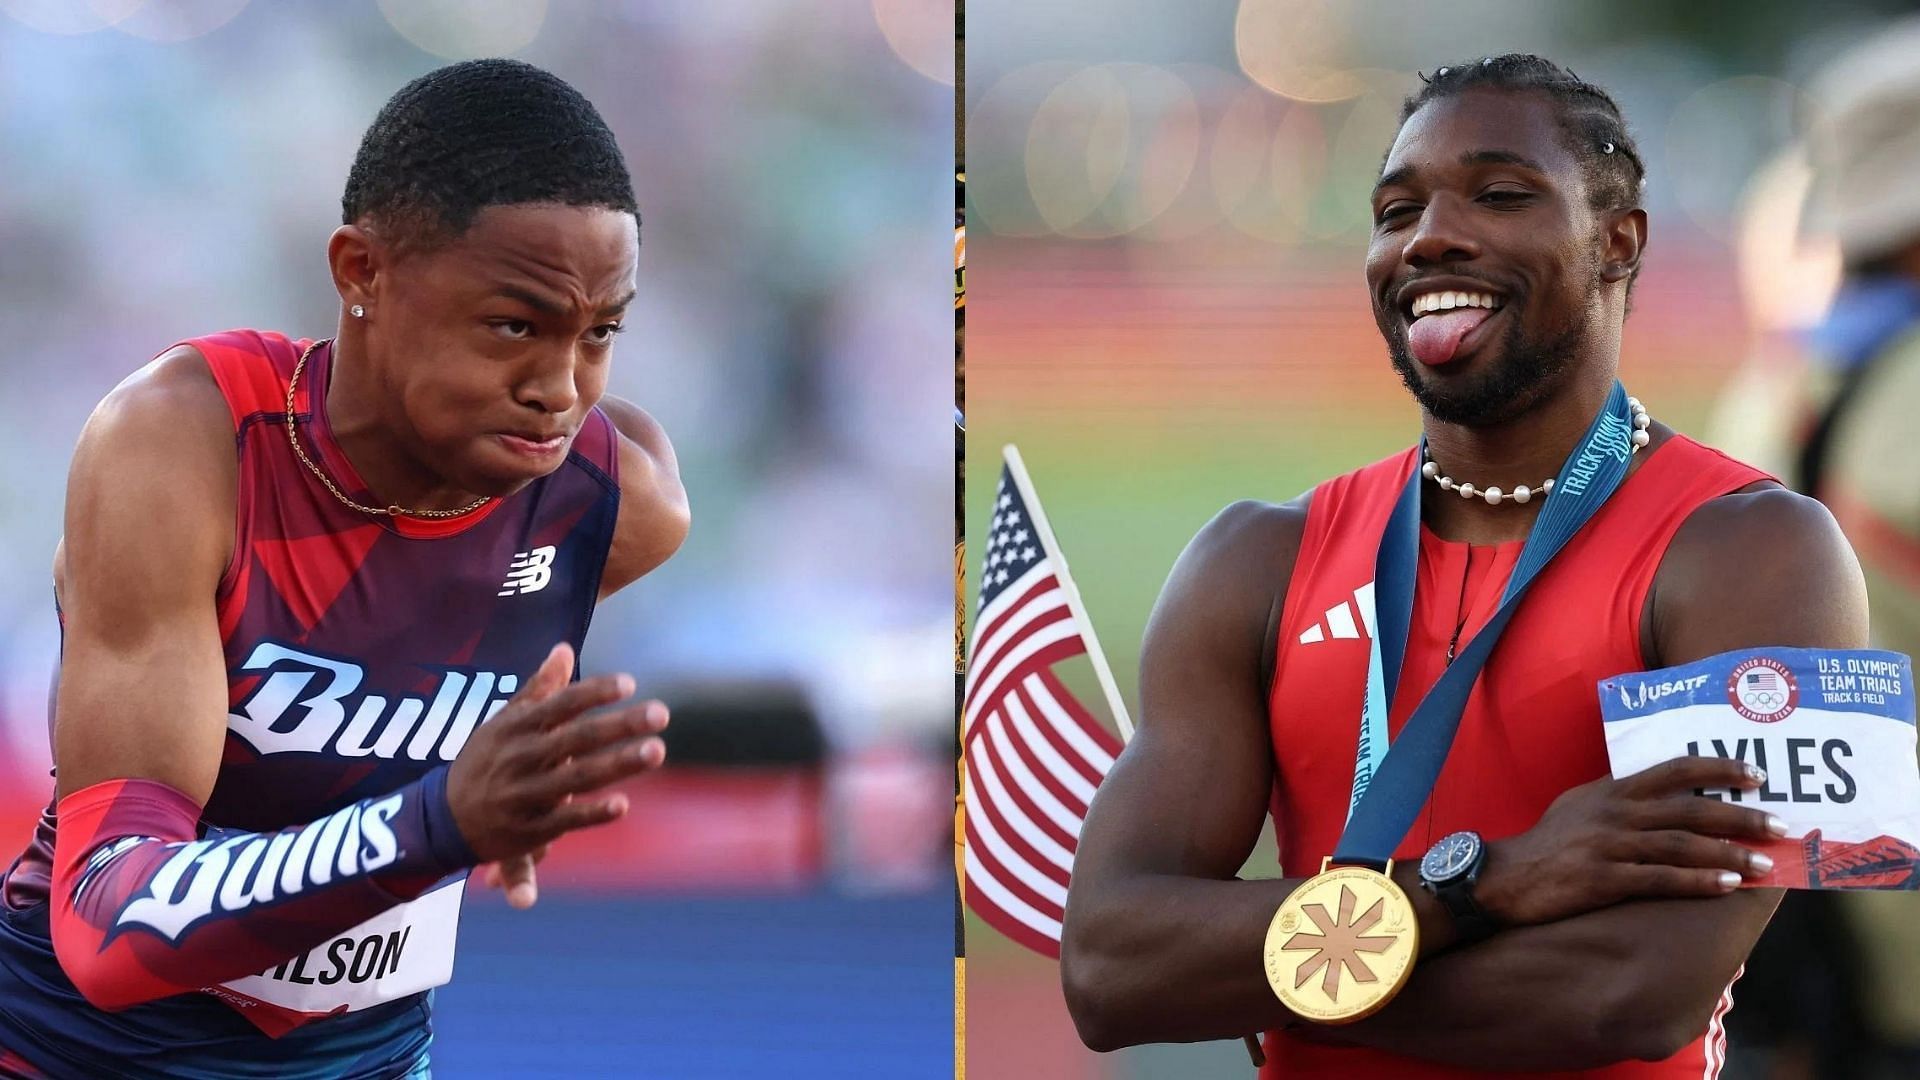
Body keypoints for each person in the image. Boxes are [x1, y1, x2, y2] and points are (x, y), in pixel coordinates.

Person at [1060, 55, 1868, 1078]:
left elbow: (1631, 993)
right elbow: (1108, 969)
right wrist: (1478, 885)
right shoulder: (1255, 558)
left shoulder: (1754, 551)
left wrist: (1267, 973)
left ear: (1619, 242)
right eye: (1396, 210)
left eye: (1499, 194)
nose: (1430, 235)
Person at [0, 59, 690, 1079]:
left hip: (370, 1061)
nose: (557, 389)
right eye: (514, 326)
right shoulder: (187, 447)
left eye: (599, 334)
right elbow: (108, 924)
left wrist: (486, 801)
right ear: (360, 271)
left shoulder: (614, 506)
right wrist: (441, 821)